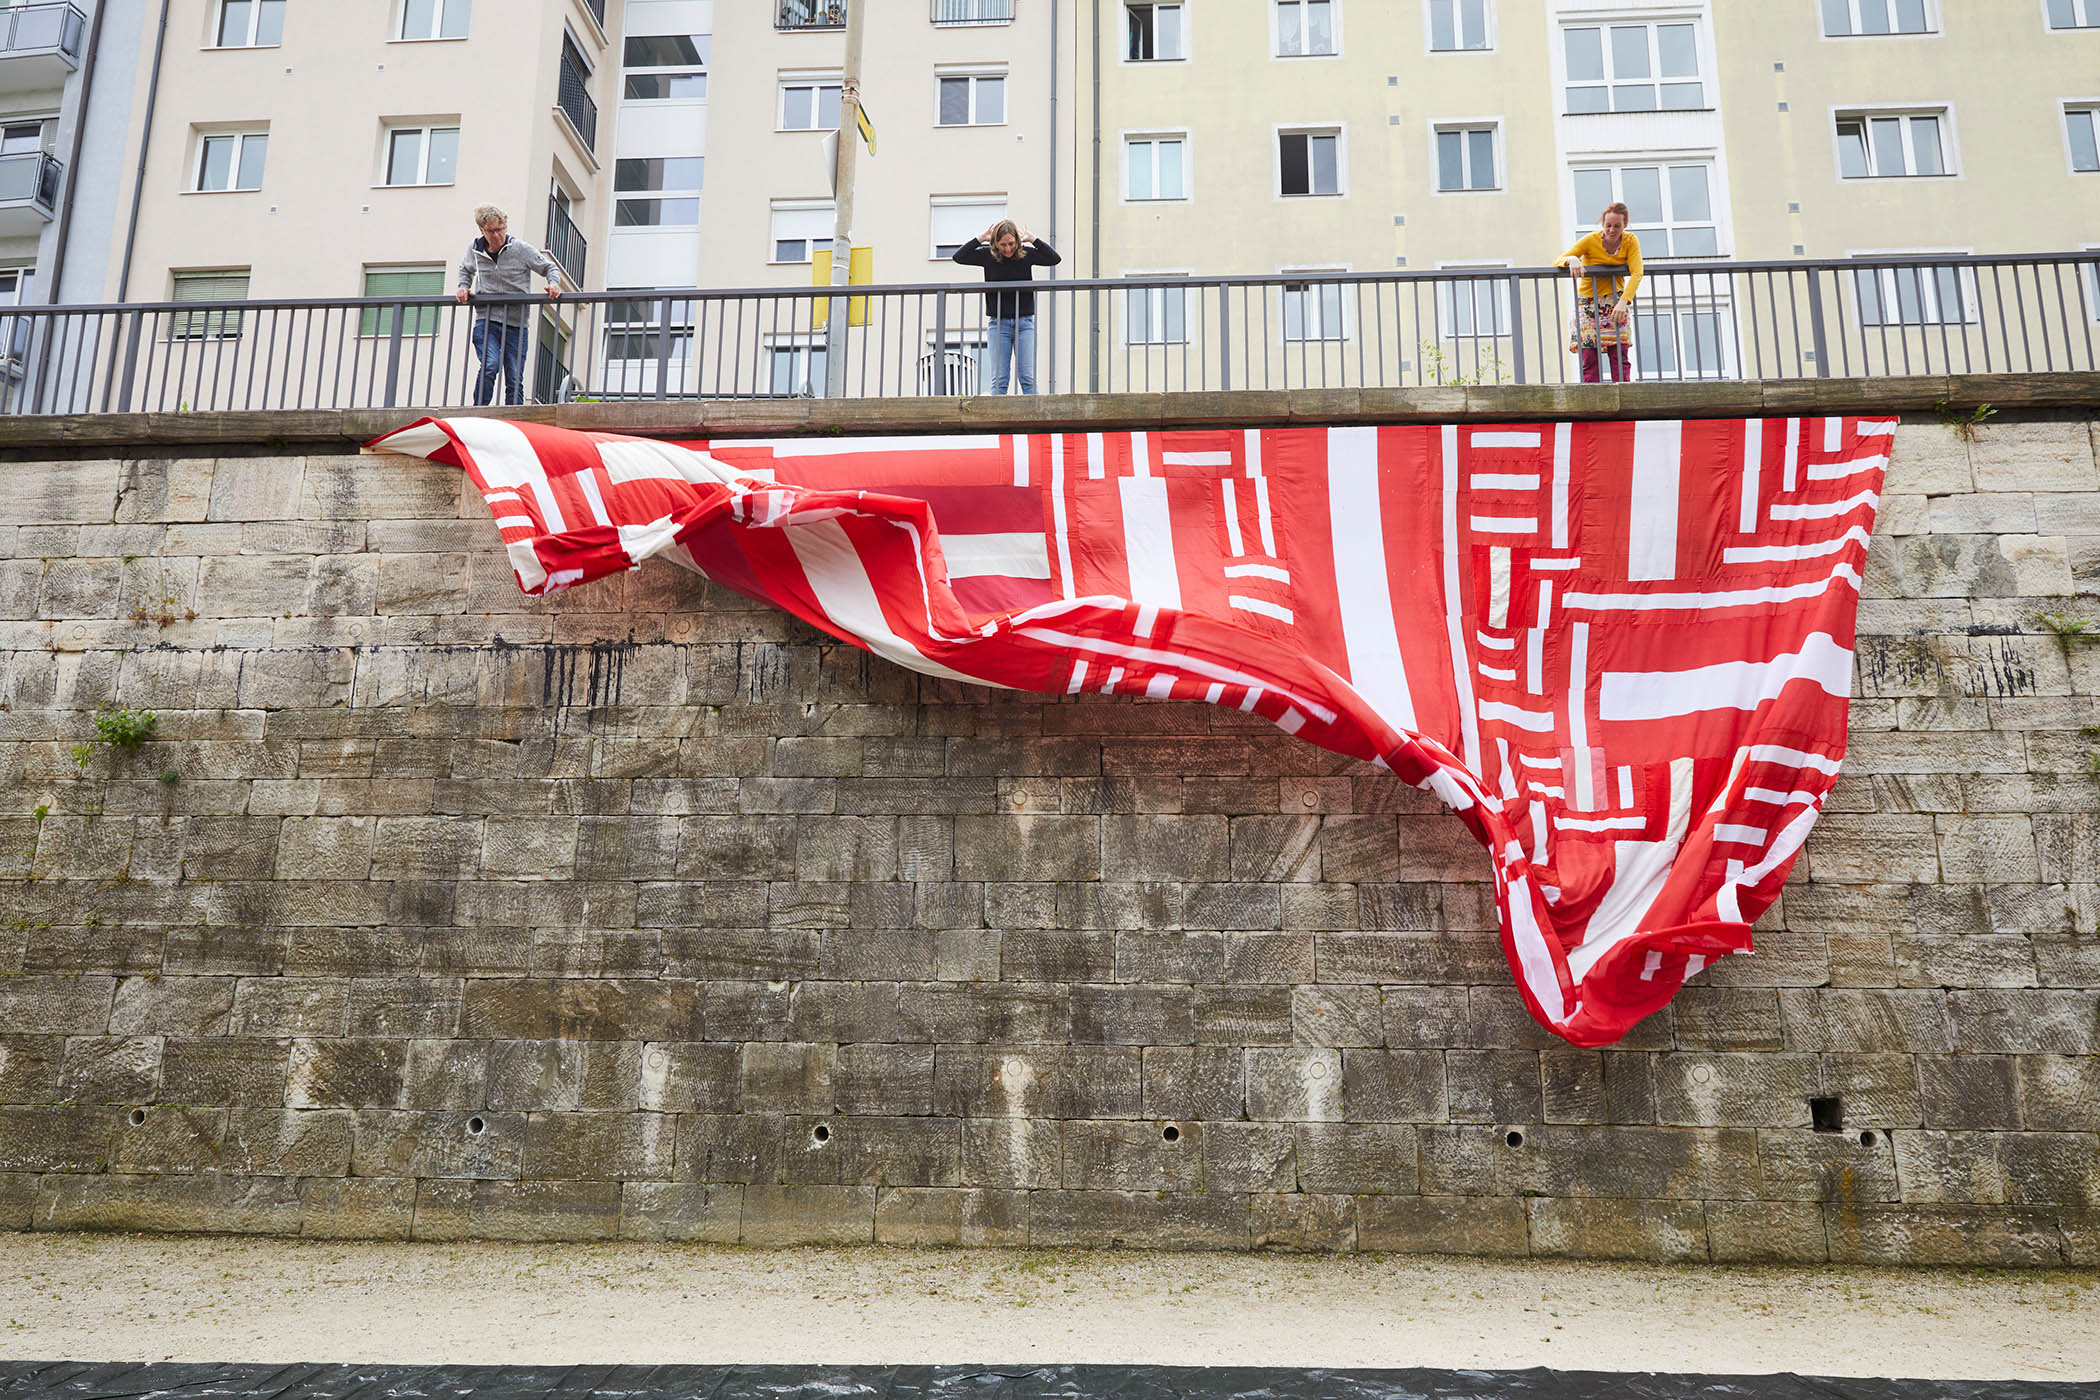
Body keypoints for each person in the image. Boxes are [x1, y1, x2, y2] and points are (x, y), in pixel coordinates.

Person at [454, 204, 562, 406]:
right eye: (491, 231)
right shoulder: (475, 249)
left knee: (514, 377)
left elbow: (549, 267)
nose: (497, 235)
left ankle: (514, 416)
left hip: (517, 324)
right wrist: (463, 287)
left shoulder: (519, 249)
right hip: (487, 320)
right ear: (482, 230)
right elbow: (465, 270)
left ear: (505, 226)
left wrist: (553, 284)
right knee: (490, 365)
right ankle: (479, 411)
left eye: (500, 229)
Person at [951, 218, 1061, 395]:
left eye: (1011, 243)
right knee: (1000, 380)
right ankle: (996, 420)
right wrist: (982, 238)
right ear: (995, 243)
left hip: (1025, 323)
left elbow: (1054, 258)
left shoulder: (1025, 253)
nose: (1008, 249)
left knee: (1027, 378)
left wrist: (1033, 239)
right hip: (999, 324)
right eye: (1003, 245)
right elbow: (958, 257)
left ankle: (1034, 420)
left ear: (1017, 241)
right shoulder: (987, 255)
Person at [1556, 202, 1642, 384]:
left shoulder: (1630, 241)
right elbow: (1559, 259)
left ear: (1624, 225)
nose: (1612, 230)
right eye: (1608, 225)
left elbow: (1637, 272)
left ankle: (1624, 396)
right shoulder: (1591, 240)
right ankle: (1592, 401)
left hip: (1616, 301)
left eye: (1617, 226)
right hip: (1588, 302)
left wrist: (1623, 302)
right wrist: (1572, 259)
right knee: (1589, 356)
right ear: (1602, 224)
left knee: (1620, 353)